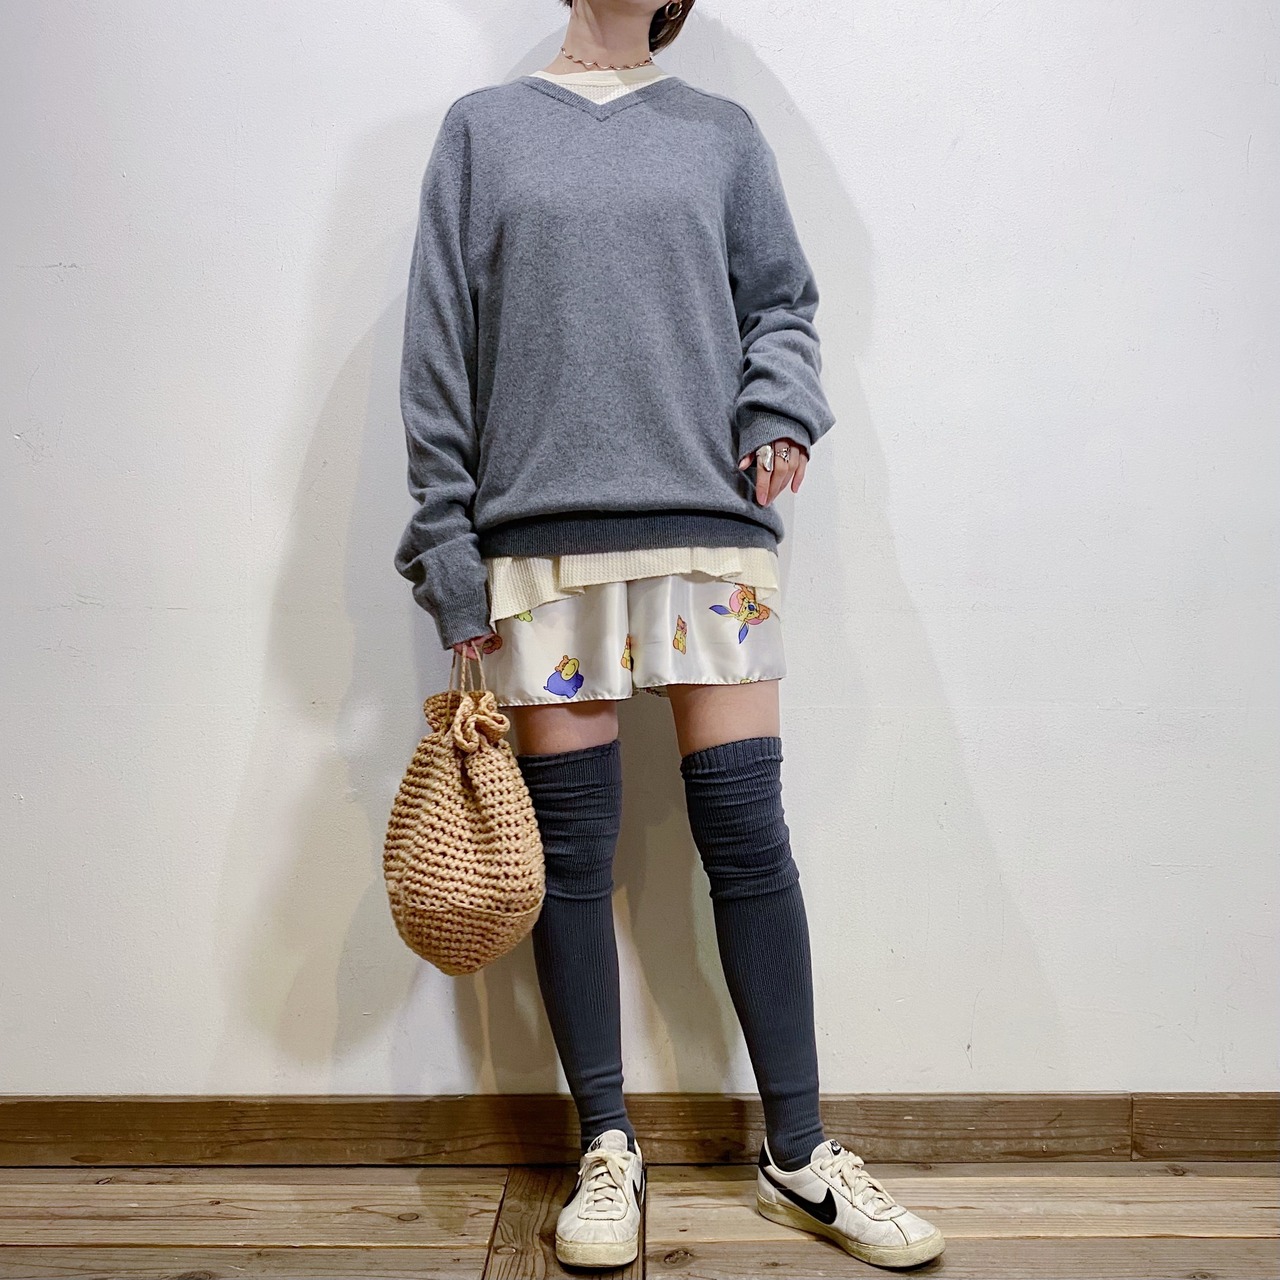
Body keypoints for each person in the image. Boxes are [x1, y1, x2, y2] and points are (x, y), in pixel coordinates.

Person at [394, 0, 945, 1269]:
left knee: (747, 833)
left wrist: (779, 408)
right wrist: (447, 555)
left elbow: (782, 304)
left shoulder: (720, 133)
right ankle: (606, 1143)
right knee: (571, 855)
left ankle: (798, 1153)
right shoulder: (482, 132)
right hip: (540, 541)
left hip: (706, 529)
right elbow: (436, 355)